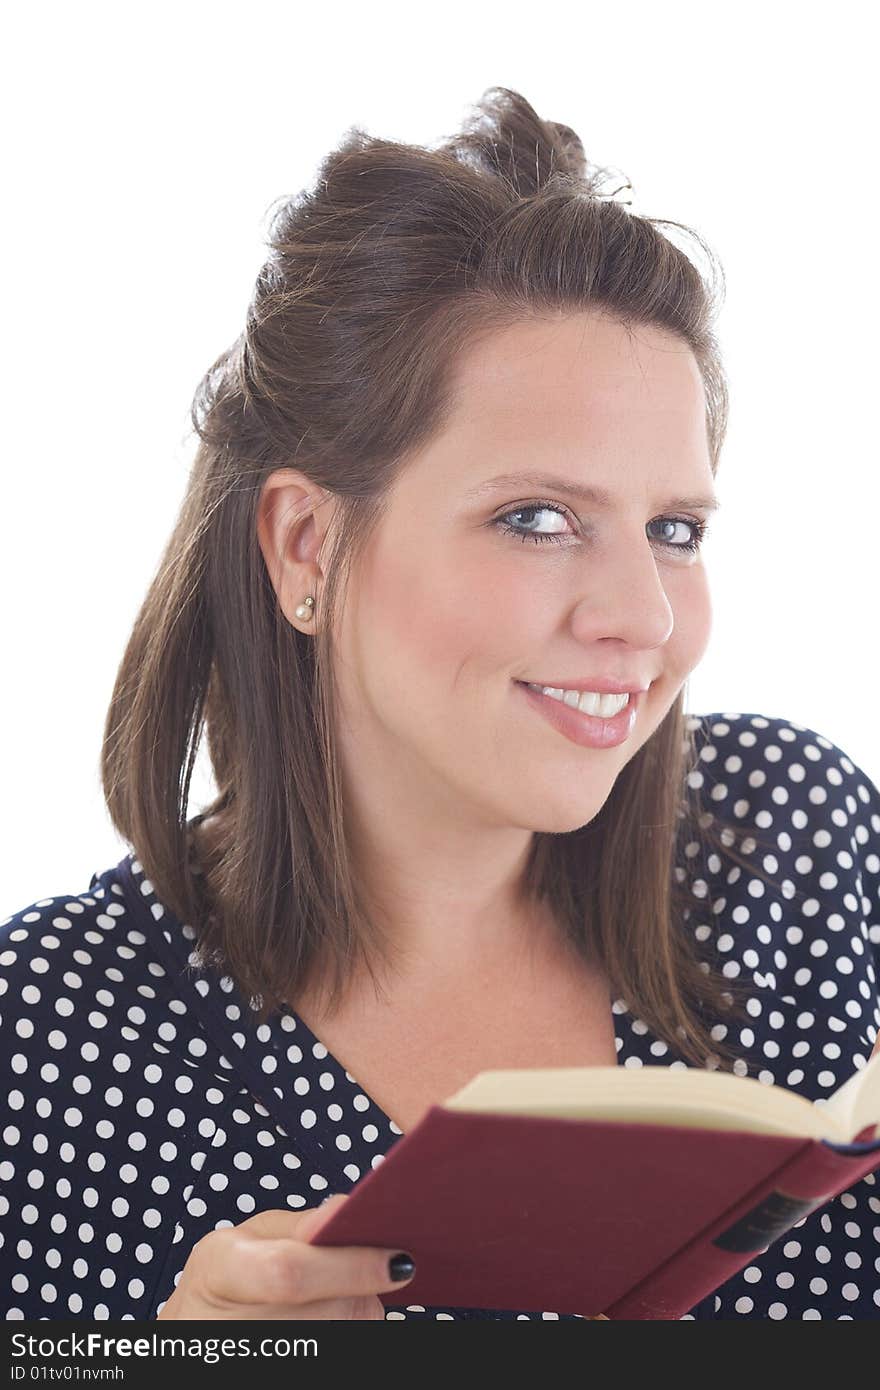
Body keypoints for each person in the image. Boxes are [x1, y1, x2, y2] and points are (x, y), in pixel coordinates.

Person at [2, 86, 878, 1323]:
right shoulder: (48, 1042)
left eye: (673, 529)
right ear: (305, 546)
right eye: (537, 519)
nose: (644, 616)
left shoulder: (794, 839)